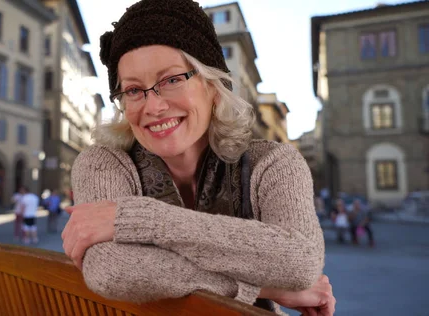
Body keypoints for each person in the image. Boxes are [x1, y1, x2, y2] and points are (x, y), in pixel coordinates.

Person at [61, 1, 335, 315]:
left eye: (172, 80)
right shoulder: (102, 163)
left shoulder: (273, 163)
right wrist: (260, 287)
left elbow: (300, 263)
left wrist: (137, 219)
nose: (153, 107)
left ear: (213, 86)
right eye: (134, 90)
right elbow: (113, 269)